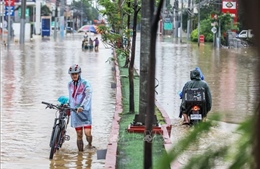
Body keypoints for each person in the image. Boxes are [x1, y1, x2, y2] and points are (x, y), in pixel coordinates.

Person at [67, 64, 93, 151]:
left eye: (76, 74)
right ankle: (80, 155)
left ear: (79, 74)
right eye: (72, 74)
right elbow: (71, 97)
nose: (74, 76)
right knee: (79, 134)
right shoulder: (70, 84)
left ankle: (89, 144)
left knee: (87, 133)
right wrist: (67, 104)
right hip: (75, 112)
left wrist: (82, 106)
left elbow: (88, 95)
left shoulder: (85, 83)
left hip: (84, 111)